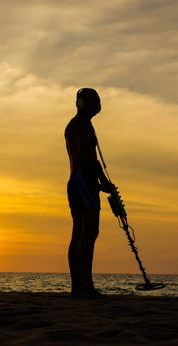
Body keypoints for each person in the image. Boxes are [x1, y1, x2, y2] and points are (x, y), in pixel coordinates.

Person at [65, 88, 112, 298]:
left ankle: (78, 287)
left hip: (77, 182)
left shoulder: (80, 125)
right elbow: (88, 158)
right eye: (95, 102)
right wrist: (102, 181)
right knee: (89, 233)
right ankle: (86, 286)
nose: (98, 106)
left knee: (79, 234)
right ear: (82, 103)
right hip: (84, 182)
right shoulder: (80, 125)